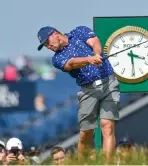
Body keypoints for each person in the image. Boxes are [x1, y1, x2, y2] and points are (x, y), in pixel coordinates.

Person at [37, 25, 120, 161]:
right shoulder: (57, 59)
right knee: (86, 132)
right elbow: (71, 64)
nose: (48, 46)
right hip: (88, 90)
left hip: (108, 82)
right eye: (45, 45)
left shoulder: (79, 31)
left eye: (47, 42)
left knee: (108, 126)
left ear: (55, 34)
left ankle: (108, 163)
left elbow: (95, 42)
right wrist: (89, 60)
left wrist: (97, 54)